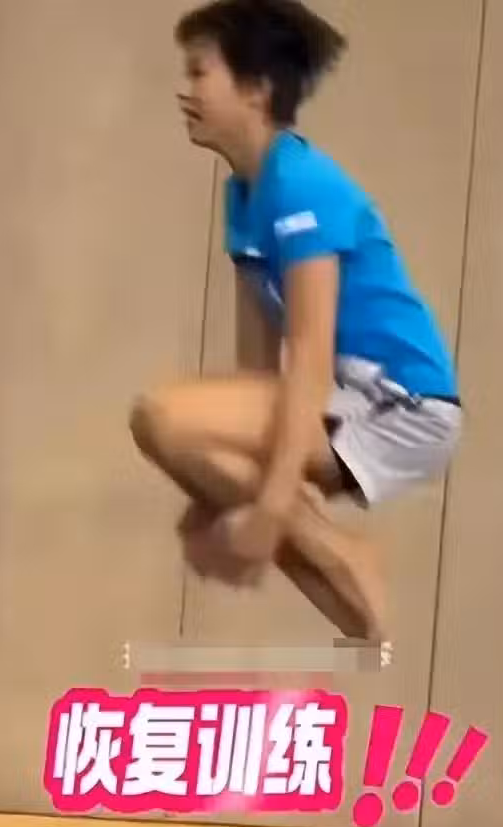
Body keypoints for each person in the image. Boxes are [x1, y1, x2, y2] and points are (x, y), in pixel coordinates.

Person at [130, 0, 461, 641]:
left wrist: (271, 506)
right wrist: (210, 497)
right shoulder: (245, 196)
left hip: (404, 405)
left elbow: (308, 355)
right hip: (344, 398)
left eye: (199, 73)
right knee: (174, 434)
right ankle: (343, 573)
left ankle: (341, 553)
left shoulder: (302, 186)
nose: (183, 90)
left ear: (255, 89)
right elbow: (258, 375)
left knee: (161, 417)